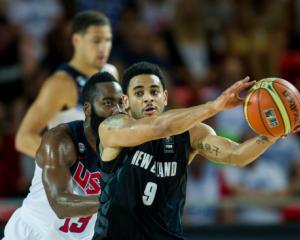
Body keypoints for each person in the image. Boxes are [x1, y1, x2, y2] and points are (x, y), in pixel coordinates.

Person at [93, 62, 299, 240]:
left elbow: (237, 155)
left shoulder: (190, 133)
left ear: (165, 97)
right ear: (126, 101)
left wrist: (273, 134)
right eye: (139, 93)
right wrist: (213, 107)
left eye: (154, 92)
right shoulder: (113, 127)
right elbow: (160, 127)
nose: (148, 98)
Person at [2, 72, 124, 240]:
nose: (117, 111)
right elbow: (61, 205)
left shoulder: (124, 146)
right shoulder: (60, 140)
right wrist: (117, 199)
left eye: (121, 103)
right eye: (108, 103)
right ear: (87, 109)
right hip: (34, 233)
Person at [15, 10, 118, 158]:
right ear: (76, 40)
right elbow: (23, 139)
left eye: (107, 40)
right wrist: (66, 160)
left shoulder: (110, 72)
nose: (103, 47)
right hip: (64, 177)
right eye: (96, 41)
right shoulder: (61, 83)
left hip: (96, 176)